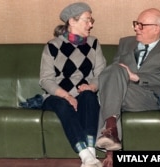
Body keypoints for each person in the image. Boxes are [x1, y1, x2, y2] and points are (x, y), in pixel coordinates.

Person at [95, 8, 160, 167]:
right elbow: (113, 71)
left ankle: (110, 146)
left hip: (149, 96)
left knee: (110, 91)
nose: (136, 28)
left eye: (141, 25)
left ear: (156, 28)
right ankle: (111, 132)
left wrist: (135, 76)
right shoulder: (126, 42)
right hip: (121, 91)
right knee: (114, 72)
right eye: (136, 24)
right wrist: (121, 73)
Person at [39, 2, 106, 167]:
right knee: (62, 105)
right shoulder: (52, 46)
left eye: (91, 20)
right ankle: (85, 154)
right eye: (87, 20)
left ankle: (90, 151)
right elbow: (45, 79)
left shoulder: (94, 43)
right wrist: (67, 96)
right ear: (72, 21)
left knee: (90, 97)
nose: (91, 24)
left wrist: (91, 87)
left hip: (85, 94)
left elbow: (101, 74)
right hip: (57, 95)